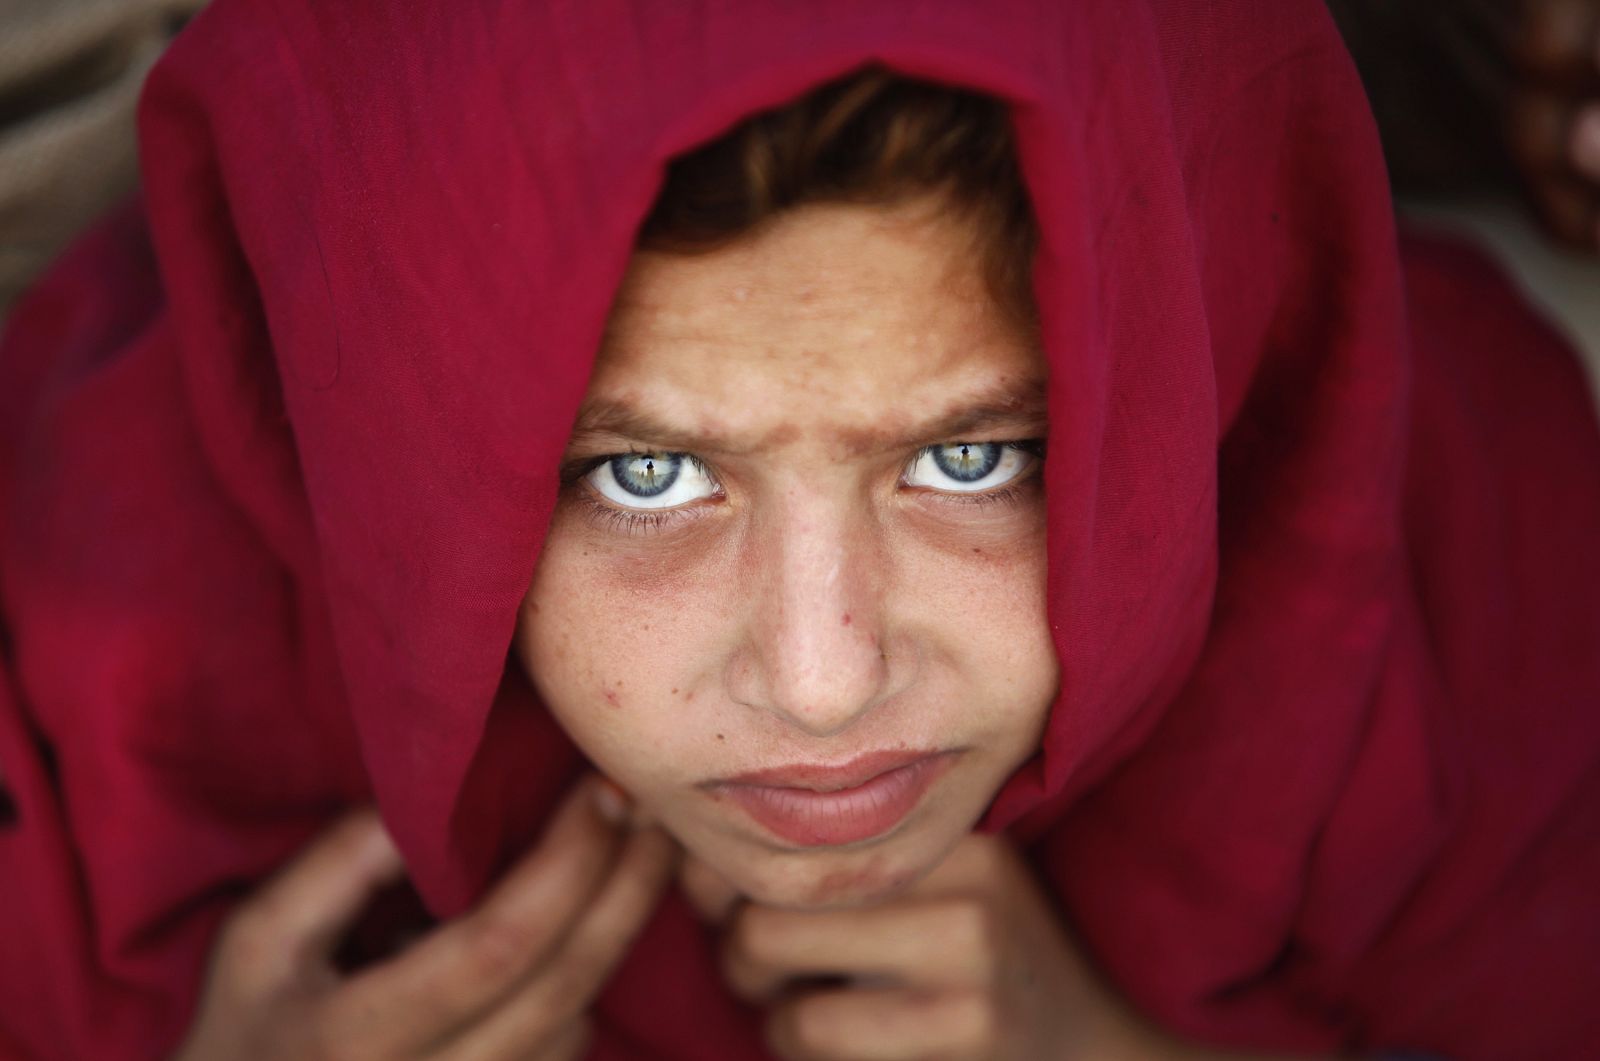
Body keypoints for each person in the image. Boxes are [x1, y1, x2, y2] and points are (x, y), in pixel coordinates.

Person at [0, 2, 1596, 1060]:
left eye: (976, 454)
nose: (825, 684)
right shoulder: (85, 683)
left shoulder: (1446, 541)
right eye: (644, 477)